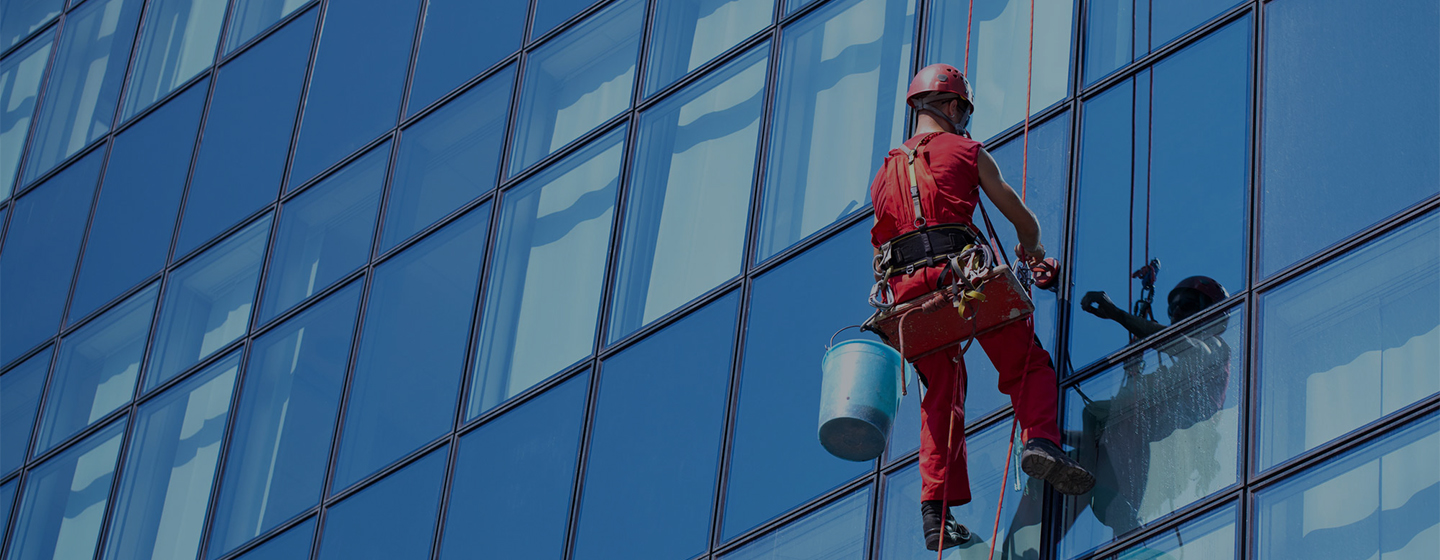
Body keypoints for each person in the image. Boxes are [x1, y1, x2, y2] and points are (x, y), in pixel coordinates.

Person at [869, 63, 1094, 552]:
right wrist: (1032, 251)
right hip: (962, 278)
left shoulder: (883, 174)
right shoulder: (967, 151)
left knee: (941, 395)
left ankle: (935, 513)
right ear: (953, 107)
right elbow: (1023, 221)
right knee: (1026, 363)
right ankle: (1041, 441)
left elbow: (883, 240)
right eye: (962, 112)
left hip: (909, 299)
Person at [1072, 277, 1233, 534]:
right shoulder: (1181, 368)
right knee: (1092, 414)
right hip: (1149, 428)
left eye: (1187, 306)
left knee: (1098, 418)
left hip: (1175, 427)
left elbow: (1178, 343)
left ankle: (1106, 494)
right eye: (1172, 309)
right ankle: (1099, 488)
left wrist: (1118, 314)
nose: (1176, 314)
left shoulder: (1213, 348)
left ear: (1212, 314)